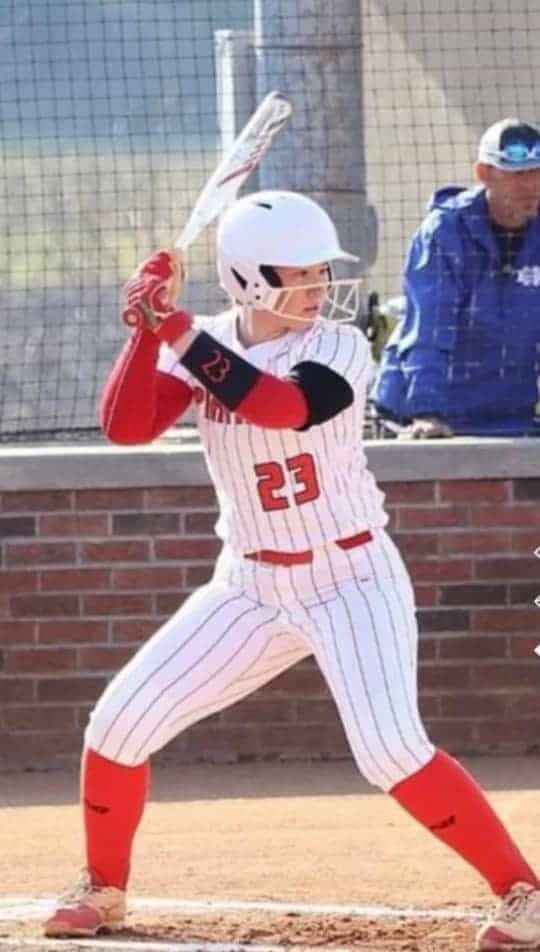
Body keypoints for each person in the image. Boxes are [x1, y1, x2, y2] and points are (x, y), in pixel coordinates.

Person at [44, 190, 540, 950]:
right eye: (299, 274)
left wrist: (176, 330)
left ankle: (523, 895)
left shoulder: (339, 347)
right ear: (245, 280)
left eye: (319, 272)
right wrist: (147, 331)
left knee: (390, 750)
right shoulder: (202, 339)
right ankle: (103, 889)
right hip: (248, 584)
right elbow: (127, 426)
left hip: (350, 576)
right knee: (117, 723)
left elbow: (280, 407)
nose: (316, 287)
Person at [372, 117, 540, 438]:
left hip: (508, 415)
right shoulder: (445, 233)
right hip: (423, 414)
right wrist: (426, 413)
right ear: (484, 174)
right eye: (518, 174)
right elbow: (430, 327)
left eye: (538, 173)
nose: (531, 186)